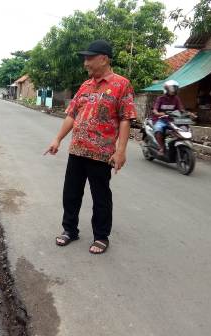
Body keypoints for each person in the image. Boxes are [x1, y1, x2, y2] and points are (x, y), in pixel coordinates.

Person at [44, 40, 137, 254]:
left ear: (103, 58)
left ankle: (101, 236)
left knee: (101, 196)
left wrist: (120, 151)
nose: (85, 63)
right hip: (77, 150)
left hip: (101, 154)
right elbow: (72, 114)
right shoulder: (85, 86)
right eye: (85, 58)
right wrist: (57, 139)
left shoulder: (122, 85)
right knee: (71, 193)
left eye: (89, 58)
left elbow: (125, 119)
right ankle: (70, 230)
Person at [152, 80, 185, 154]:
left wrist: (188, 113)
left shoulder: (176, 98)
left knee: (181, 129)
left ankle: (174, 146)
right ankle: (161, 147)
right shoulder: (160, 98)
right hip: (160, 120)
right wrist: (158, 113)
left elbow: (181, 109)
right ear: (166, 89)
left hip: (171, 120)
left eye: (175, 88)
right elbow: (155, 110)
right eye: (172, 88)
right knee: (158, 129)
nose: (174, 90)